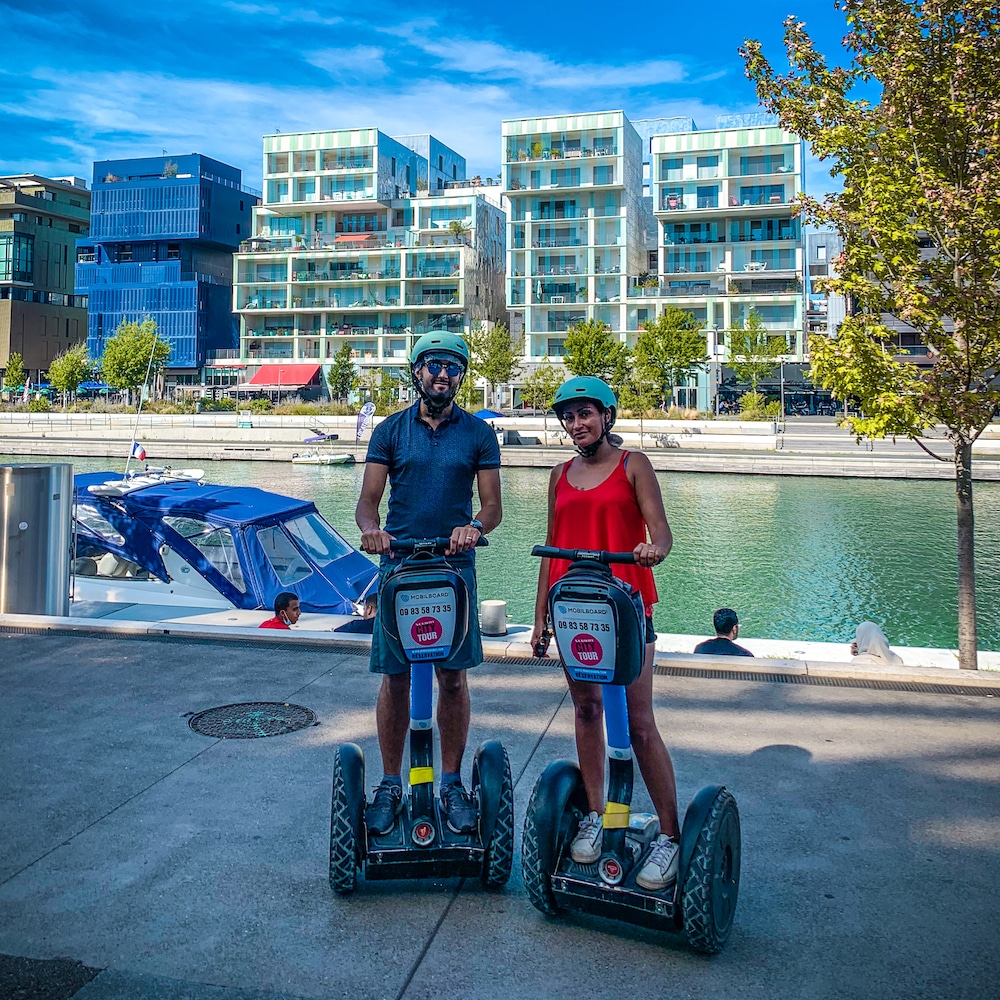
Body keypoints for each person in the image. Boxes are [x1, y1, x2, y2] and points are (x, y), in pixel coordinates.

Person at [529, 376, 681, 891]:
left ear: (607, 416)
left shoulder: (634, 464)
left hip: (628, 605)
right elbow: (551, 547)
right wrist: (540, 618)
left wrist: (652, 549)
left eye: (585, 414)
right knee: (587, 709)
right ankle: (598, 813)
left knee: (639, 723)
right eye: (568, 417)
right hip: (576, 612)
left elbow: (661, 531)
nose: (577, 425)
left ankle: (669, 834)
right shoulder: (559, 474)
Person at [356, 332, 502, 836]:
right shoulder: (390, 431)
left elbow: (492, 506)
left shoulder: (480, 434)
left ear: (462, 376)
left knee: (454, 677)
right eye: (434, 365)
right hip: (398, 565)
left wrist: (474, 528)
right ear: (417, 371)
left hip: (453, 565)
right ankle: (392, 782)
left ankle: (453, 781)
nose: (443, 374)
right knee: (394, 677)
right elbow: (368, 498)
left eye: (453, 367)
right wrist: (371, 531)